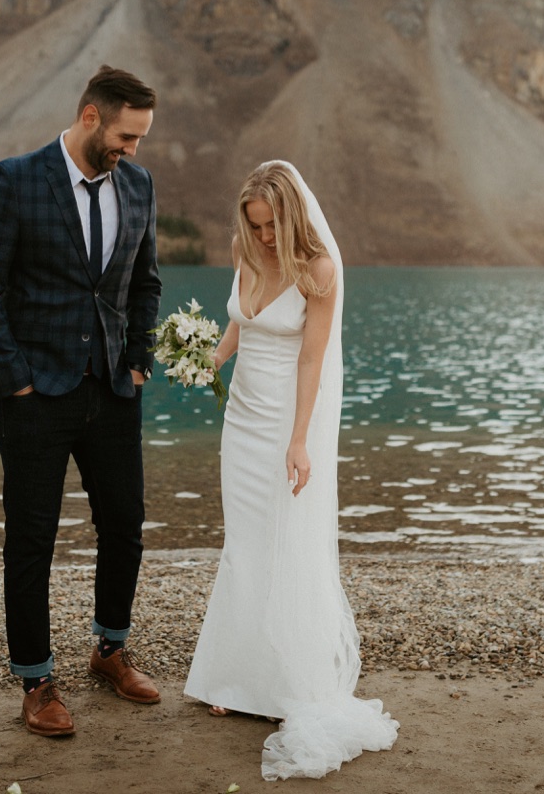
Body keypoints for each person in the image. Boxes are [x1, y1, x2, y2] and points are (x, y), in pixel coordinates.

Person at [0, 65, 163, 737]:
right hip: (34, 398)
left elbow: (144, 284)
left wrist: (138, 361)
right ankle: (37, 681)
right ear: (89, 117)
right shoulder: (14, 180)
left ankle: (110, 650)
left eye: (140, 138)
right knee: (31, 540)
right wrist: (13, 380)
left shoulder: (138, 185)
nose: (132, 149)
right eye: (126, 135)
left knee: (125, 526)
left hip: (111, 390)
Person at [184, 161, 399, 780]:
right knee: (243, 543)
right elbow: (240, 322)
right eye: (255, 227)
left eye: (272, 226)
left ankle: (284, 686)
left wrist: (301, 440)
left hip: (286, 418)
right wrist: (209, 361)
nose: (265, 238)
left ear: (291, 215)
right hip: (242, 420)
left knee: (284, 543)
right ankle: (233, 677)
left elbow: (312, 358)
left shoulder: (320, 270)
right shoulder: (244, 249)